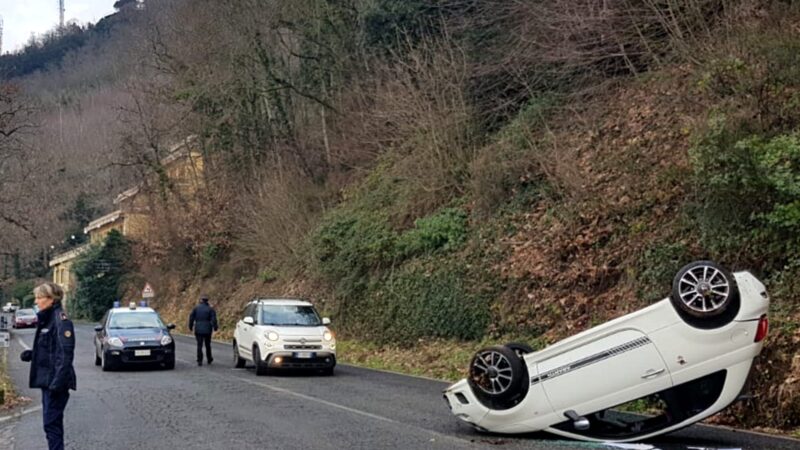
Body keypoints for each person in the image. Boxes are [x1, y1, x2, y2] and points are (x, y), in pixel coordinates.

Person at [20, 282, 76, 450]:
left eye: (39, 297)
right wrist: (32, 354)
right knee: (51, 424)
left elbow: (65, 355)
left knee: (51, 424)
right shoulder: (47, 319)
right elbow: (50, 350)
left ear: (52, 299)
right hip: (48, 381)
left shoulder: (60, 321)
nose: (36, 301)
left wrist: (56, 384)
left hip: (55, 383)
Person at [188, 294, 218, 366]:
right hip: (207, 329)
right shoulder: (210, 309)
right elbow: (214, 319)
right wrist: (215, 327)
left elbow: (191, 318)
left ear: (201, 300)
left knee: (199, 345)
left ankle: (199, 360)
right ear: (207, 301)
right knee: (208, 344)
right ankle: (209, 358)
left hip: (198, 329)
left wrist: (190, 326)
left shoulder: (196, 308)